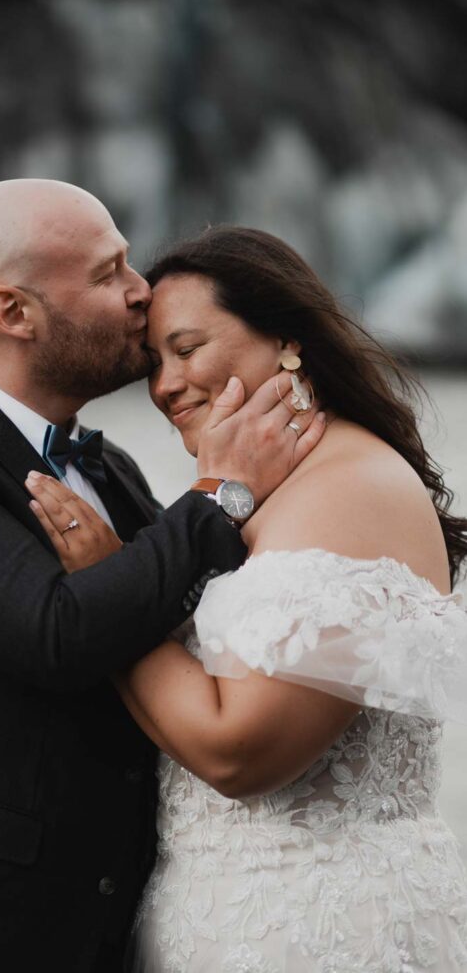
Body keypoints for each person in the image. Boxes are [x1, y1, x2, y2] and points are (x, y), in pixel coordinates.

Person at [0, 182, 325, 973]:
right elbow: (60, 633)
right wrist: (223, 493)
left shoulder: (112, 467)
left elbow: (175, 610)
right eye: (107, 276)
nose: (141, 293)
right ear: (13, 312)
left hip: (123, 925)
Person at [27, 225, 467, 972]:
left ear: (286, 342)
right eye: (152, 364)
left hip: (316, 929)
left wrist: (106, 587)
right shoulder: (274, 492)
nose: (164, 385)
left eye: (187, 348)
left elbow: (241, 754)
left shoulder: (349, 486)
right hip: (229, 918)